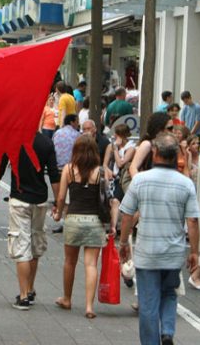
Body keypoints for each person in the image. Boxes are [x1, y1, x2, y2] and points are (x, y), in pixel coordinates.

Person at [119, 133, 200, 345]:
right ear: (175, 155)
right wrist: (194, 252)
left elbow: (127, 215)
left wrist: (123, 242)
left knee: (147, 303)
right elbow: (192, 220)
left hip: (147, 252)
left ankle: (151, 342)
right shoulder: (186, 184)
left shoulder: (140, 181)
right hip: (173, 252)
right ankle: (167, 332)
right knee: (170, 294)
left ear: (154, 152)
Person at [0, 132, 59, 310]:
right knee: (35, 245)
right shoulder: (46, 142)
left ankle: (23, 296)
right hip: (40, 200)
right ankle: (30, 289)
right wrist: (58, 202)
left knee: (22, 247)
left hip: (19, 199)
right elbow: (53, 174)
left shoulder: (12, 139)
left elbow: (1, 167)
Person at [53, 134, 115, 319]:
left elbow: (62, 197)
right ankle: (89, 306)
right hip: (94, 221)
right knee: (91, 264)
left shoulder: (69, 169)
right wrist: (111, 224)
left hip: (73, 219)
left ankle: (67, 298)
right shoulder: (101, 172)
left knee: (69, 262)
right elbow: (108, 200)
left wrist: (57, 213)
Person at [51, 114, 81, 234]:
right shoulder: (77, 135)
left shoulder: (57, 133)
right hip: (71, 169)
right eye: (77, 121)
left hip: (58, 168)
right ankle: (68, 223)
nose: (78, 124)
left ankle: (61, 219)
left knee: (60, 196)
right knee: (69, 197)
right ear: (72, 122)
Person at [103, 124, 135, 231]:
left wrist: (116, 150)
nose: (115, 137)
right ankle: (113, 227)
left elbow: (121, 163)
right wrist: (108, 171)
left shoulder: (131, 148)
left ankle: (128, 227)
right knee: (115, 201)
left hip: (125, 179)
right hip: (114, 178)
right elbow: (105, 164)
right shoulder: (110, 146)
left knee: (126, 204)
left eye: (117, 135)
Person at [129, 112, 173, 178]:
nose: (172, 131)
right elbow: (133, 167)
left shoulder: (169, 144)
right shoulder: (147, 144)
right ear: (159, 129)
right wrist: (140, 184)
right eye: (170, 128)